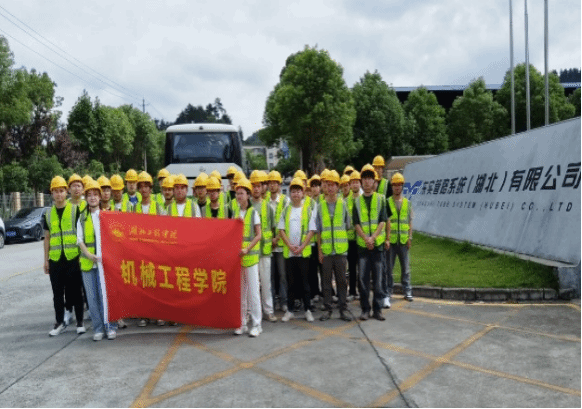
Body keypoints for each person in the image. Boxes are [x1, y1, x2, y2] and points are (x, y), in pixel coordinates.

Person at [44, 176, 85, 336]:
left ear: (66, 192)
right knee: (57, 294)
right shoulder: (48, 214)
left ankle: (80, 322)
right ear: (52, 194)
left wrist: (81, 255)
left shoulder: (75, 210)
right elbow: (47, 238)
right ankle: (59, 322)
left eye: (61, 191)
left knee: (76, 292)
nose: (59, 194)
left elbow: (80, 235)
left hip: (73, 257)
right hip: (55, 260)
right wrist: (46, 260)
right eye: (56, 191)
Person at [77, 180, 117, 341]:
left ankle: (110, 327)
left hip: (104, 264)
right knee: (92, 299)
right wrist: (88, 254)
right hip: (88, 264)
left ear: (100, 197)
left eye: (95, 194)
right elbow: (79, 239)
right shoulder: (82, 217)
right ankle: (98, 328)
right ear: (86, 198)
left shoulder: (107, 215)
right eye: (89, 195)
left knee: (105, 297)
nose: (92, 197)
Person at [278, 177, 317, 323]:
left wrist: (301, 246)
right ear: (290, 194)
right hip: (290, 253)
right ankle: (290, 310)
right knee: (291, 283)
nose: (295, 194)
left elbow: (312, 230)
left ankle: (307, 310)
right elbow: (281, 230)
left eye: (298, 191)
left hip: (303, 252)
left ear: (303, 193)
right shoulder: (286, 210)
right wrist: (290, 246)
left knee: (305, 282)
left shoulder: (307, 210)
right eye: (293, 191)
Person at [353, 164, 388, 321]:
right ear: (361, 182)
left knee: (378, 280)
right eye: (364, 179)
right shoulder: (357, 202)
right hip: (363, 247)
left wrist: (372, 238)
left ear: (374, 182)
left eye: (370, 179)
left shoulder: (381, 199)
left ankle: (377, 309)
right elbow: (356, 223)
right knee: (363, 280)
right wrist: (366, 239)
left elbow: (382, 221)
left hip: (377, 246)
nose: (367, 182)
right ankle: (365, 309)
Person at [316, 170, 351, 322]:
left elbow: (348, 225)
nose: (330, 188)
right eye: (328, 185)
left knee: (342, 281)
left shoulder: (343, 205)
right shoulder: (320, 206)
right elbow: (318, 231)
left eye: (333, 185)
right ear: (325, 187)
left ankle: (343, 309)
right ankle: (328, 309)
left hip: (340, 251)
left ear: (338, 187)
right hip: (326, 251)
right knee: (326, 282)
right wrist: (319, 251)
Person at [233, 178, 263, 338]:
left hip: (250, 259)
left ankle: (257, 324)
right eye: (237, 193)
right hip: (239, 259)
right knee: (241, 294)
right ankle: (242, 323)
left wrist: (247, 249)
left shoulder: (253, 213)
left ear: (248, 195)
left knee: (253, 293)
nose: (239, 196)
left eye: (242, 193)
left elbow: (259, 235)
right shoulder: (236, 212)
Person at [250, 171, 276, 322]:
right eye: (253, 186)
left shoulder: (268, 207)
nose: (256, 189)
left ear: (262, 188)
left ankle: (268, 311)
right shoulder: (246, 206)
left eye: (258, 186)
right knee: (252, 285)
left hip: (265, 251)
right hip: (251, 252)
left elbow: (272, 228)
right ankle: (252, 312)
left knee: (266, 283)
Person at [386, 172, 414, 304]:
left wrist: (410, 237)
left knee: (405, 269)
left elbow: (410, 221)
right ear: (392, 187)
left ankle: (407, 291)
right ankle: (388, 292)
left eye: (399, 185)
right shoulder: (387, 202)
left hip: (403, 241)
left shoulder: (408, 203)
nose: (397, 187)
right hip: (391, 242)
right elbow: (385, 221)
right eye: (395, 185)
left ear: (402, 186)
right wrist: (386, 239)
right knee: (388, 269)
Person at [268, 170, 290, 312]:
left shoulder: (285, 201)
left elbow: (286, 223)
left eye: (275, 183)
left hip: (281, 245)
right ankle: (272, 301)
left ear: (279, 184)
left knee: (282, 275)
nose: (272, 185)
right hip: (269, 246)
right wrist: (270, 239)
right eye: (270, 183)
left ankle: (284, 301)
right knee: (270, 276)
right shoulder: (265, 202)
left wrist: (276, 239)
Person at [307, 175, 323, 302]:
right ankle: (315, 292)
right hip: (312, 241)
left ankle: (327, 292)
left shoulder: (323, 200)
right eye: (312, 186)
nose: (315, 188)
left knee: (324, 268)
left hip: (323, 239)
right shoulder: (309, 202)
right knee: (312, 269)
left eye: (317, 185)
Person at [347, 170, 361, 300]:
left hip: (362, 239)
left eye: (357, 182)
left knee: (362, 268)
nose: (355, 184)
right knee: (352, 268)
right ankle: (352, 292)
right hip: (350, 240)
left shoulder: (363, 199)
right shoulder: (346, 201)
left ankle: (362, 291)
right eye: (353, 182)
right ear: (350, 184)